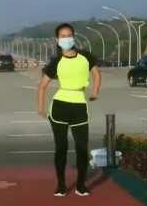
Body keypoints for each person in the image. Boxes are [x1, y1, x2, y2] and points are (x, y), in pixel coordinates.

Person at [37, 23, 102, 197]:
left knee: (82, 147)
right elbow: (42, 86)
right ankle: (61, 185)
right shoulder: (56, 61)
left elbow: (96, 74)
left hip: (79, 105)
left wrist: (95, 91)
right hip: (60, 106)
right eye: (63, 36)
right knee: (61, 147)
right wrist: (41, 108)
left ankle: (81, 185)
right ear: (57, 40)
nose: (67, 39)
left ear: (74, 37)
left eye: (69, 35)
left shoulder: (86, 57)